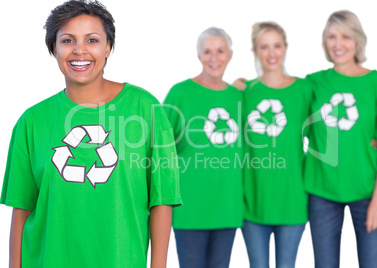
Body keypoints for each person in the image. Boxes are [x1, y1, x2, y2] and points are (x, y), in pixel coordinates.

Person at [0, 1, 181, 267]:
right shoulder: (32, 121)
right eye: (68, 40)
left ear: (108, 47)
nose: (79, 50)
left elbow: (162, 200)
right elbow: (22, 209)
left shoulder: (145, 109)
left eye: (92, 40)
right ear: (54, 48)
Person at [305, 10, 377, 268]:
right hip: (322, 192)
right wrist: (244, 83)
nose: (338, 44)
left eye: (345, 36)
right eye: (331, 37)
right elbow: (282, 97)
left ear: (357, 40)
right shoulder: (313, 84)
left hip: (367, 192)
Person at [163, 27, 243, 268]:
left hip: (227, 207)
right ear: (199, 55)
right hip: (190, 208)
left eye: (220, 51)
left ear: (230, 54)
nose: (214, 58)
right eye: (207, 51)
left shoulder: (239, 96)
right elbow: (160, 147)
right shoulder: (181, 93)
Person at [234, 21, 312, 268]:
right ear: (255, 51)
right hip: (252, 203)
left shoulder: (304, 90)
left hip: (292, 201)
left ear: (286, 47)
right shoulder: (244, 92)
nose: (272, 53)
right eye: (264, 47)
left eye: (277, 45)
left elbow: (326, 131)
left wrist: (369, 137)